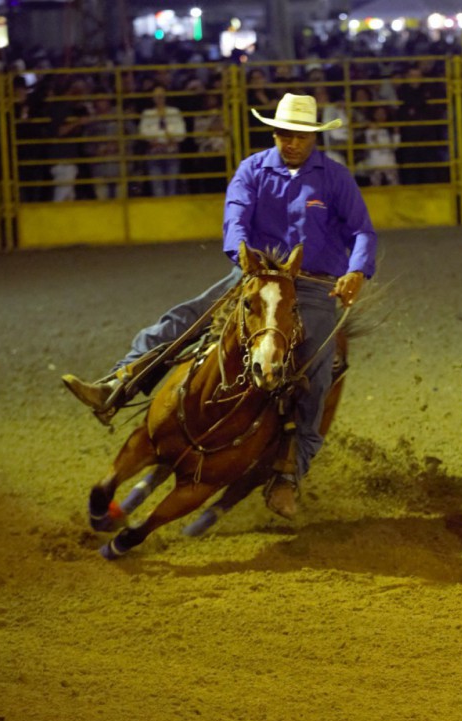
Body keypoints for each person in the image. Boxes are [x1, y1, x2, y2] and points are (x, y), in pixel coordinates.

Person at [61, 93, 377, 520]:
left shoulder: (335, 179)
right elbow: (236, 217)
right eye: (284, 134)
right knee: (184, 318)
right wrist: (241, 253)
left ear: (312, 136)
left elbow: (362, 231)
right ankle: (118, 384)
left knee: (317, 370)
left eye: (299, 135)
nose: (292, 142)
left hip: (313, 286)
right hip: (256, 275)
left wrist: (356, 271)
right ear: (275, 133)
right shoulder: (252, 170)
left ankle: (289, 470)